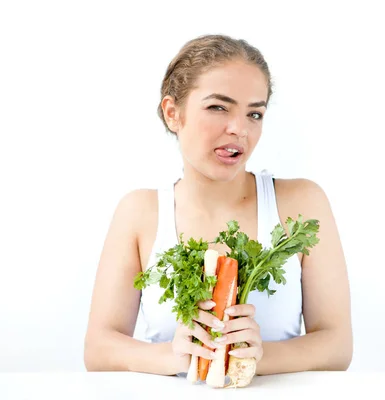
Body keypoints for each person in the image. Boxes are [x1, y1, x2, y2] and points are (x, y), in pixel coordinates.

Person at [83, 34, 353, 376]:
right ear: (172, 113)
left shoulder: (301, 204)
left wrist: (260, 356)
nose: (239, 128)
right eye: (218, 107)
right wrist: (171, 356)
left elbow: (337, 344)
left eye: (254, 114)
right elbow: (98, 348)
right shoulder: (140, 212)